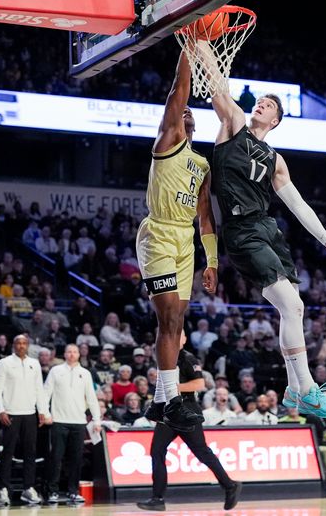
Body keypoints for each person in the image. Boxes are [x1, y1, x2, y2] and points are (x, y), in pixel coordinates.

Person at [198, 42, 326, 418]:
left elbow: (298, 205)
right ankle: (307, 389)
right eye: (260, 101)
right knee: (292, 305)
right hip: (241, 231)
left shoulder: (276, 160)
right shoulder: (233, 125)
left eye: (269, 104)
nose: (261, 104)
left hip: (268, 230)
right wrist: (200, 41)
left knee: (292, 311)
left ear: (277, 120)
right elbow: (218, 85)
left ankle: (293, 391)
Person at [135, 50, 218, 432]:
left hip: (187, 241)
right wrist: (187, 42)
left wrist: (212, 261)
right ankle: (171, 400)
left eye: (188, 114)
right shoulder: (168, 141)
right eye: (179, 112)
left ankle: (157, 402)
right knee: (168, 316)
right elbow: (178, 91)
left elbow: (205, 216)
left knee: (177, 321)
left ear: (195, 124)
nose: (183, 113)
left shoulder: (202, 165)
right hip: (159, 235)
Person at [137, 331, 240, 512]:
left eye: (179, 335)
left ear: (184, 340)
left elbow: (199, 385)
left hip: (187, 411)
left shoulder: (188, 358)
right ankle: (157, 498)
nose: (175, 337)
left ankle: (230, 485)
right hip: (168, 412)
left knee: (201, 452)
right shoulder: (164, 358)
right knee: (157, 451)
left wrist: (173, 387)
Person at [0, 335, 48, 505]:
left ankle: (28, 488)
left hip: (30, 413)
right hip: (11, 414)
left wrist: (42, 411)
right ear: (13, 345)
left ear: (28, 345)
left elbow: (39, 389)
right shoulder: (4, 363)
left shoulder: (35, 364)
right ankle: (3, 489)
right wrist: (1, 411)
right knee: (7, 452)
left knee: (30, 453)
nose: (21, 346)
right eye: (18, 343)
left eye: (24, 343)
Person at [42, 344, 101, 504]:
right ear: (65, 354)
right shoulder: (56, 371)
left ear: (78, 354)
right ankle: (52, 491)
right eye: (69, 351)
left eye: (75, 352)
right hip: (59, 421)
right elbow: (45, 393)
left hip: (79, 422)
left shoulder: (85, 373)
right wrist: (45, 414)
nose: (72, 354)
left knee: (76, 459)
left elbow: (92, 398)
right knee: (56, 457)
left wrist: (97, 419)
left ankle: (73, 491)